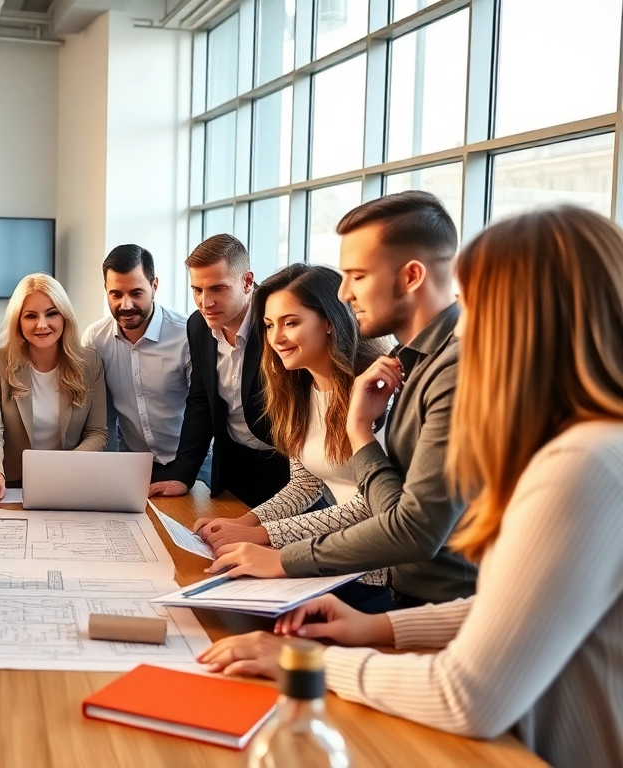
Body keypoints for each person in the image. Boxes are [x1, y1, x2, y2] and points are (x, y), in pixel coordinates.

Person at [199, 206, 623, 768]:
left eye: (477, 305)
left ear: (533, 319)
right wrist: (379, 627)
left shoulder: (583, 463)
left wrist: (303, 662)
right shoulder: (583, 446)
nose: (462, 328)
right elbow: (514, 605)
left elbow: (468, 696)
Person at [208, 192, 477, 607]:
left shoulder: (445, 372)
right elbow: (327, 487)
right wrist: (251, 526)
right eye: (269, 324)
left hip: (419, 593)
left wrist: (277, 550)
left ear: (411, 276)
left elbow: (406, 524)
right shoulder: (400, 363)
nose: (345, 292)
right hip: (390, 581)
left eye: (357, 275)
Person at [193, 264, 391, 604]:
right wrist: (244, 521)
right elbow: (305, 484)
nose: (276, 338)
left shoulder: (376, 389)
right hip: (340, 557)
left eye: (291, 322)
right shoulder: (298, 389)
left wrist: (263, 534)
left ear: (329, 322)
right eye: (270, 325)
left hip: (381, 571)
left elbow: (374, 505)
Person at [157, 235, 289, 508]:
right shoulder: (198, 325)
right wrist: (182, 475)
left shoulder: (277, 321)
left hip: (287, 464)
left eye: (218, 289)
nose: (205, 302)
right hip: (233, 462)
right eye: (197, 290)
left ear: (247, 281)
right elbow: (201, 400)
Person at [0, 273, 108, 505]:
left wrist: (66, 466)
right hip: (12, 486)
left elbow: (98, 433)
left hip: (70, 483)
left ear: (64, 316)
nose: (42, 324)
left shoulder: (90, 362)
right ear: (18, 321)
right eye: (31, 316)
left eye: (51, 313)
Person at [81, 244, 192, 495]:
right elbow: (101, 414)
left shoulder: (185, 335)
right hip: (131, 462)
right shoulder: (95, 339)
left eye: (136, 293)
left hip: (190, 461)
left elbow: (202, 409)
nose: (126, 304)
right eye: (116, 294)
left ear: (154, 286)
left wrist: (186, 471)